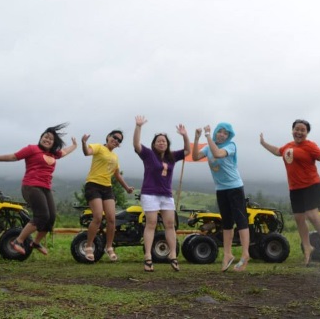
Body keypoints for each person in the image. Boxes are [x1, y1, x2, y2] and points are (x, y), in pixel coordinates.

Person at [259, 119, 320, 265]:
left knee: (312, 214)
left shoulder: (310, 146)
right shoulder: (288, 146)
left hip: (311, 185)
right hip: (295, 188)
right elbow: (277, 151)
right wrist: (263, 143)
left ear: (307, 133)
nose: (299, 132)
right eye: (297, 129)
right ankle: (307, 247)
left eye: (303, 130)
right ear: (292, 130)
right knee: (299, 218)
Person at [0, 124, 77, 256]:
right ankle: (18, 241)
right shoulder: (32, 149)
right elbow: (12, 157)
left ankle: (36, 242)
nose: (47, 140)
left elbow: (66, 151)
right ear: (41, 137)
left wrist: (75, 145)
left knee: (51, 218)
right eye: (46, 137)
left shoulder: (53, 154)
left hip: (45, 188)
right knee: (42, 216)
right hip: (31, 186)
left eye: (51, 139)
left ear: (53, 143)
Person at [133, 116, 190, 272]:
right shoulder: (148, 154)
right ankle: (148, 257)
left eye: (164, 141)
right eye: (158, 140)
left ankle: (173, 255)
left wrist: (184, 135)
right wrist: (138, 127)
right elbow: (136, 145)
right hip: (150, 194)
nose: (161, 142)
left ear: (167, 144)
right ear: (154, 144)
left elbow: (187, 150)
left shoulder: (172, 157)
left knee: (170, 224)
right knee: (151, 223)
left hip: (166, 195)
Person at [192, 122, 250, 272]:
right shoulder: (208, 147)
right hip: (221, 189)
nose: (222, 135)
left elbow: (218, 154)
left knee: (241, 220)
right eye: (220, 132)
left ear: (228, 136)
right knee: (227, 223)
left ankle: (245, 254)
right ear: (216, 132)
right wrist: (197, 138)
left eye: (225, 133)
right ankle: (227, 254)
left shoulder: (231, 146)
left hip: (235, 187)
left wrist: (207, 135)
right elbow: (195, 157)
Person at [81, 129, 135, 262]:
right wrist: (83, 142)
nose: (116, 140)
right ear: (108, 137)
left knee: (112, 219)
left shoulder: (115, 157)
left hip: (107, 187)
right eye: (115, 137)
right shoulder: (99, 147)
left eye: (119, 140)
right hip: (93, 185)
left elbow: (117, 174)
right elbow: (87, 152)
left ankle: (109, 247)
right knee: (98, 217)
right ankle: (88, 246)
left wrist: (127, 188)